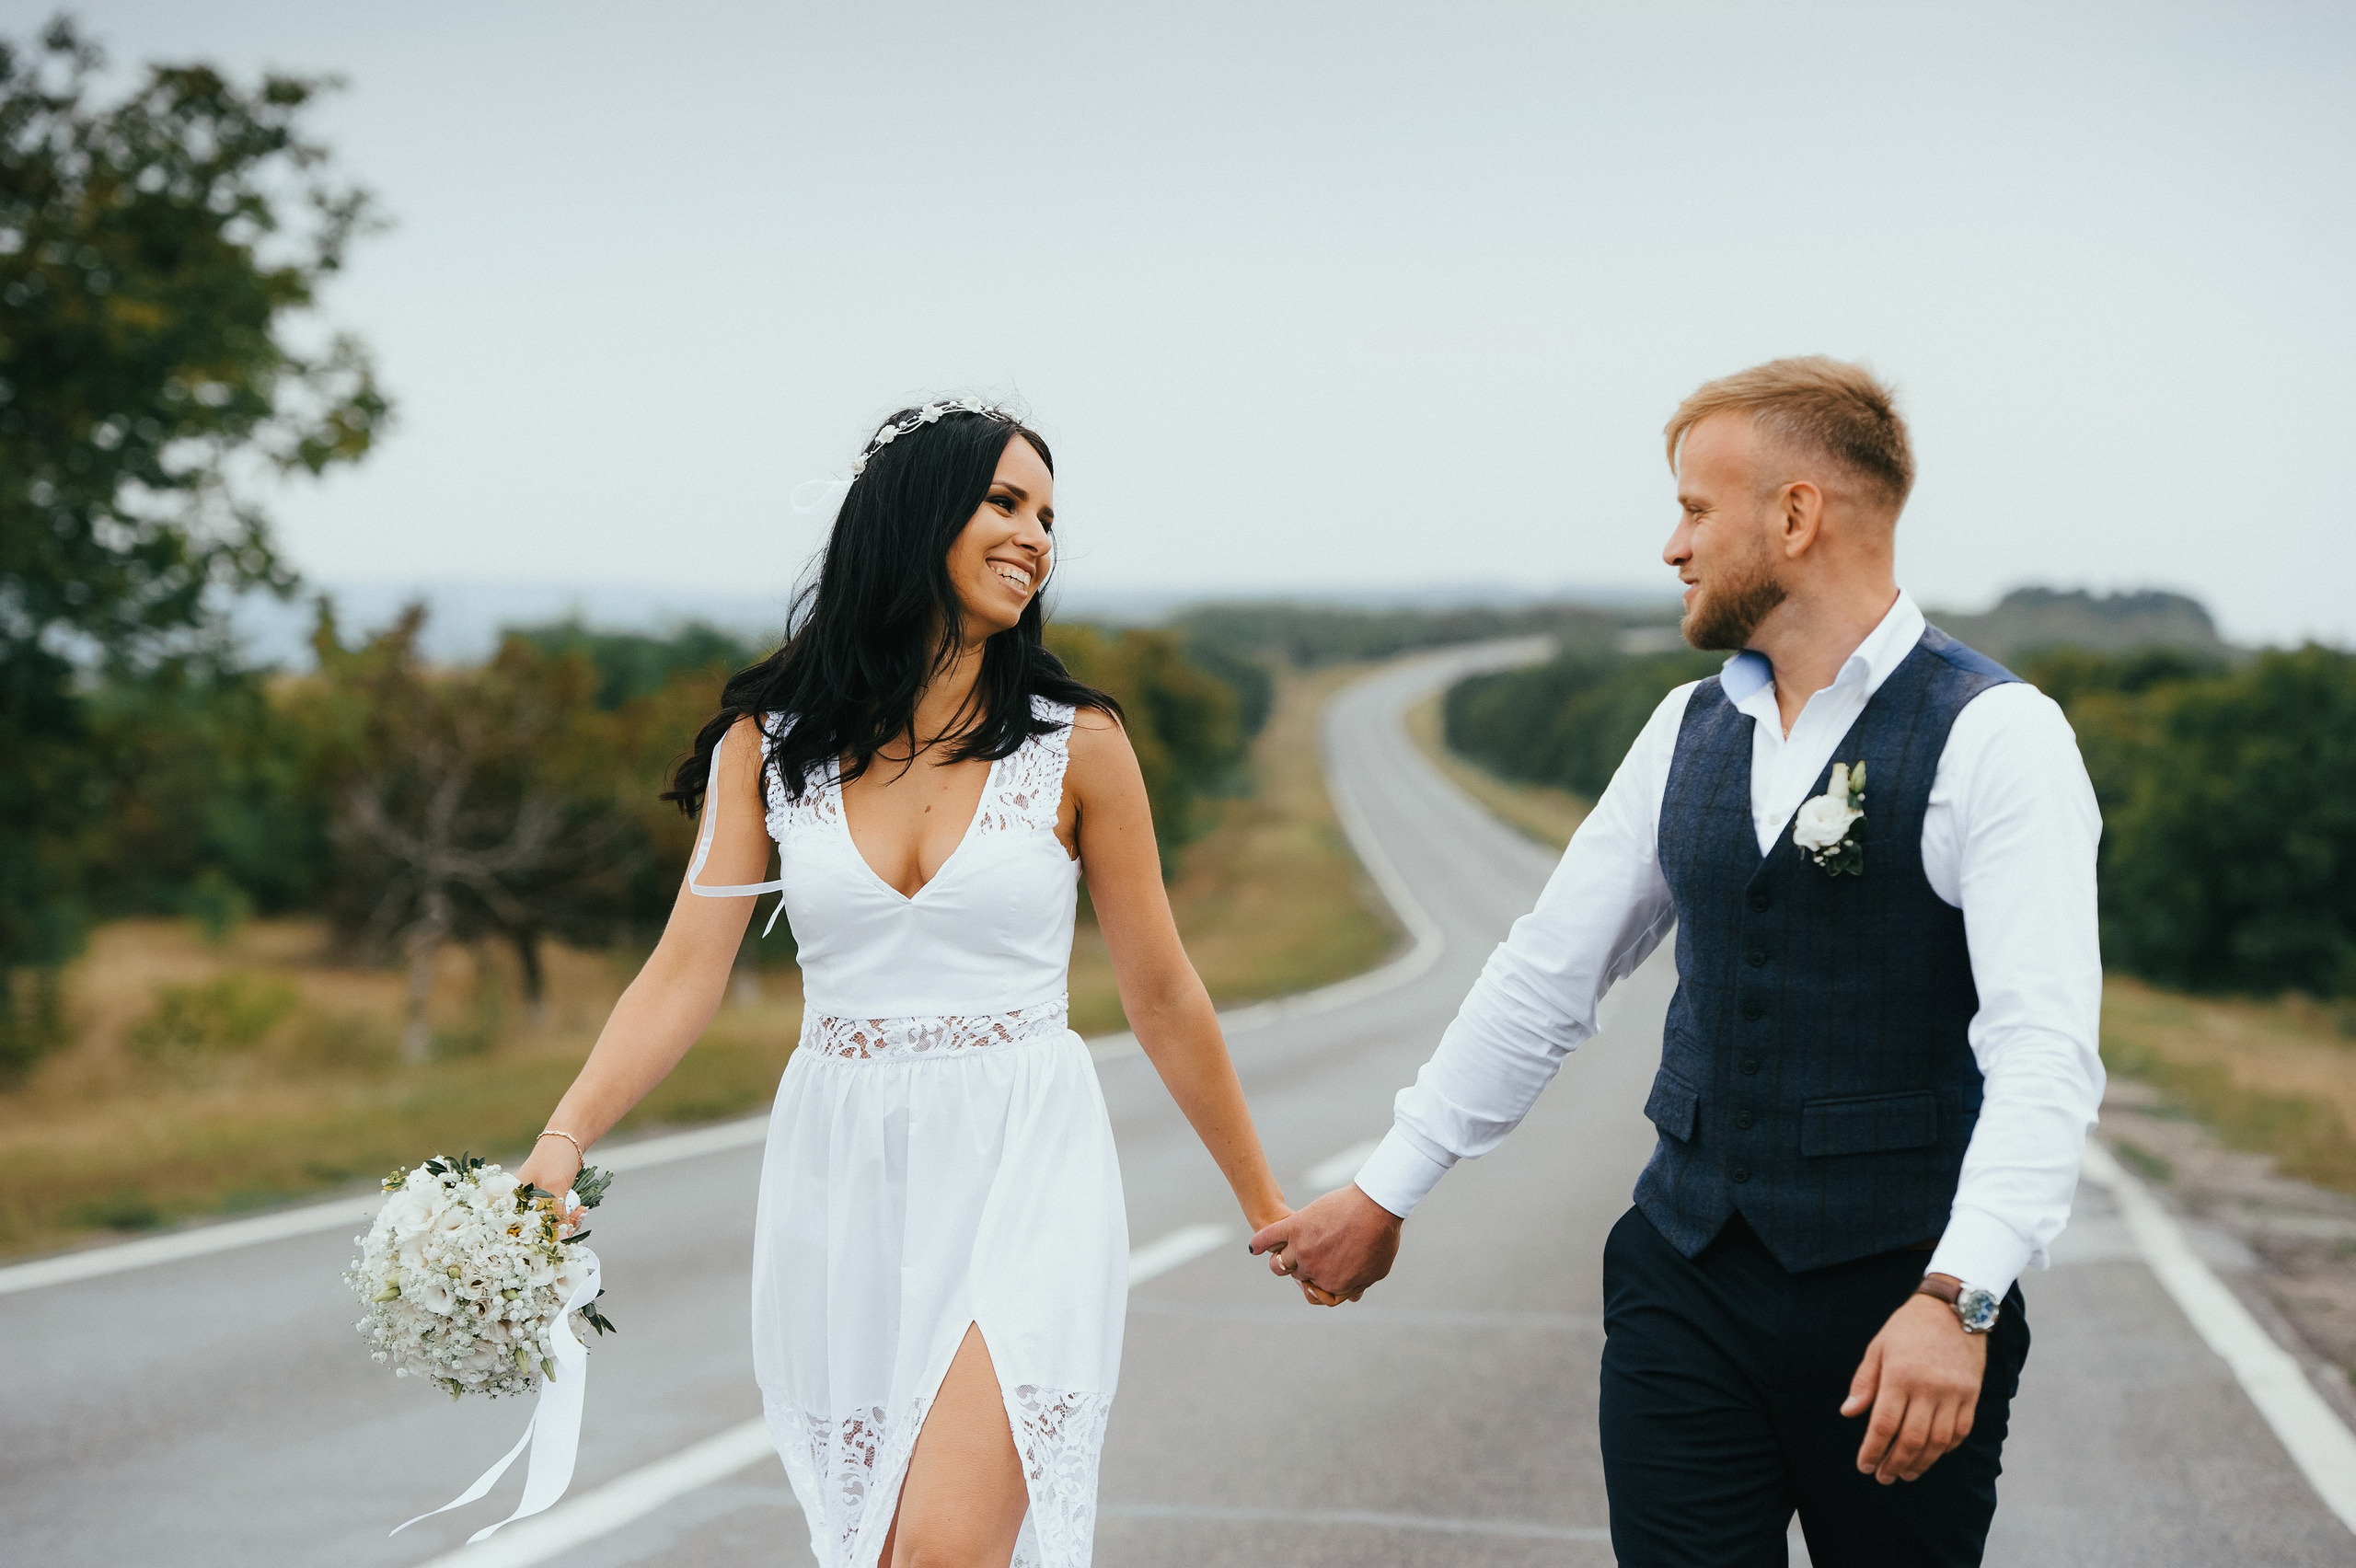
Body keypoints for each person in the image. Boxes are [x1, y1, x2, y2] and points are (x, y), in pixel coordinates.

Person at [1250, 358, 2104, 1567]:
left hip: (1901, 1296)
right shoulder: (1683, 730)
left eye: (1696, 510)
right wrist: (1386, 1189)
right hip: (1686, 1282)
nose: (1672, 546)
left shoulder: (1995, 737)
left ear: (1795, 516)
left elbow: (2043, 1051)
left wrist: (1957, 1299)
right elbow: (1547, 975)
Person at [512, 399, 1300, 1568]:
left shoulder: (1079, 744)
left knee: (943, 1550)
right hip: (844, 1176)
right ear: (914, 516)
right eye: (1005, 503)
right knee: (880, 1552)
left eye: (1047, 517)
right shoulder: (764, 748)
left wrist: (1265, 1204)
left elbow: (1164, 995)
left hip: (1025, 1156)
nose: (1035, 538)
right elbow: (681, 973)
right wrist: (563, 1137)